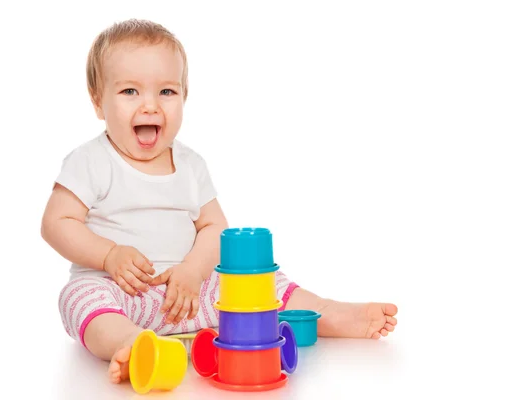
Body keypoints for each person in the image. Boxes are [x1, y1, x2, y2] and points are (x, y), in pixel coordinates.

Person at [41, 18, 398, 384]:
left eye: (166, 92)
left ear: (184, 95)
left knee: (259, 282)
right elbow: (56, 223)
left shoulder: (191, 165)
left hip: (190, 294)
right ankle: (134, 343)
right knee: (79, 299)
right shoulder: (90, 161)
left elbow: (214, 227)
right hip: (118, 290)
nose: (150, 106)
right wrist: (108, 255)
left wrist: (193, 273)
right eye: (130, 91)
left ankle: (326, 311)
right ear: (98, 100)